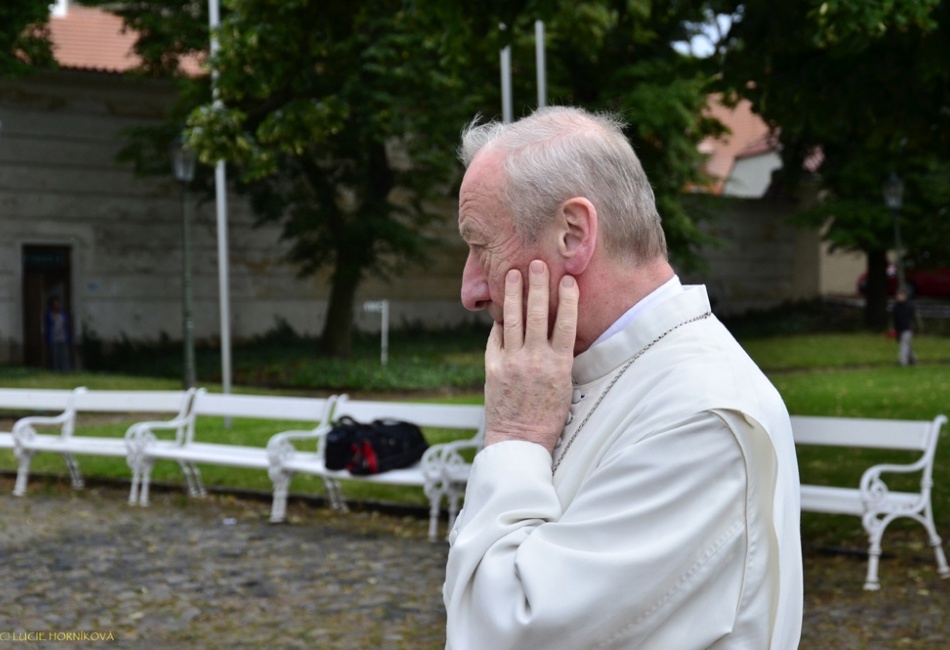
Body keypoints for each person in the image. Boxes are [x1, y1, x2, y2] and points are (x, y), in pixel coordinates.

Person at [444, 106, 803, 649]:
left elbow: (502, 633)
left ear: (573, 234)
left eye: (481, 246)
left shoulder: (697, 416)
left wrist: (515, 435)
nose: (470, 290)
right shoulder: (598, 374)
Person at [44, 296, 72, 371]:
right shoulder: (48, 314)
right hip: (53, 338)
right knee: (54, 356)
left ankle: (65, 371)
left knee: (64, 356)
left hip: (63, 337)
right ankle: (55, 371)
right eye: (55, 303)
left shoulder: (63, 313)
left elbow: (66, 325)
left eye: (58, 303)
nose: (57, 304)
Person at [892, 290, 917, 366]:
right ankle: (912, 360)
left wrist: (917, 328)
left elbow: (914, 318)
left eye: (901, 295)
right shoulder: (896, 307)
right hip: (899, 330)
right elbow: (894, 320)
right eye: (898, 296)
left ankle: (903, 362)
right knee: (908, 345)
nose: (899, 297)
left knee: (904, 345)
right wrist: (895, 329)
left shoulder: (909, 306)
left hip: (907, 329)